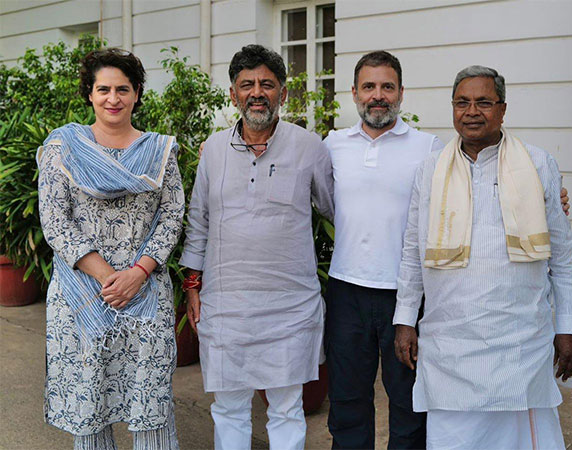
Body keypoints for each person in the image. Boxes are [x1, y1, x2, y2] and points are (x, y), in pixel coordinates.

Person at [393, 65, 572, 450]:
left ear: (503, 108)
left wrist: (568, 326)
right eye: (462, 102)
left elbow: (563, 257)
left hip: (519, 343)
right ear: (452, 108)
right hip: (450, 344)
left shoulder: (538, 164)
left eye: (484, 102)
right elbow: (412, 253)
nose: (472, 111)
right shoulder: (429, 171)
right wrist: (404, 320)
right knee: (452, 438)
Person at [179, 44, 334, 450]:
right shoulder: (212, 150)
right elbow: (199, 221)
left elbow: (336, 212)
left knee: (286, 409)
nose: (257, 92)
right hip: (228, 305)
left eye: (267, 83)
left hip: (289, 306)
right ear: (233, 94)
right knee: (229, 408)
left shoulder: (309, 147)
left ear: (283, 93)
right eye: (247, 84)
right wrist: (192, 286)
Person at [37, 48, 184, 449]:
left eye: (123, 89)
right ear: (90, 93)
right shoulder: (63, 148)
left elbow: (171, 216)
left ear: (137, 93)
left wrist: (137, 275)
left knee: (150, 403)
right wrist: (108, 278)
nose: (113, 98)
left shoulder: (160, 153)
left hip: (146, 293)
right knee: (90, 408)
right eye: (103, 89)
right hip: (82, 296)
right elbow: (54, 220)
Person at [321, 51, 442, 449]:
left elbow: (464, 196)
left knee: (409, 405)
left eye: (387, 87)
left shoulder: (428, 147)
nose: (378, 96)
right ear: (354, 93)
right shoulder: (332, 145)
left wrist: (549, 197)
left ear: (401, 93)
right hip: (345, 292)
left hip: (407, 296)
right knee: (347, 402)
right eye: (369, 87)